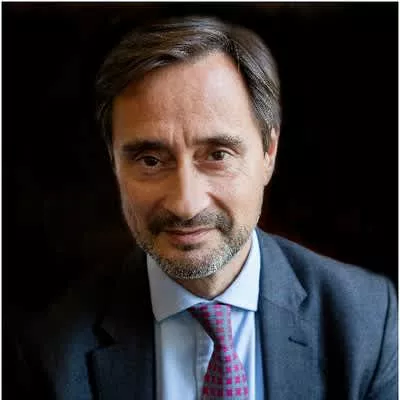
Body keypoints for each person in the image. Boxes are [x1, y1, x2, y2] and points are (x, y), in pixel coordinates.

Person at [12, 15, 397, 400]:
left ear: (268, 153)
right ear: (114, 162)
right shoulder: (46, 348)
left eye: (217, 154)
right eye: (150, 160)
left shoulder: (367, 320)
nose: (186, 204)